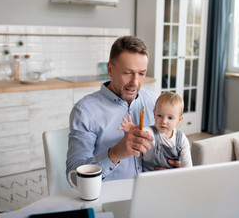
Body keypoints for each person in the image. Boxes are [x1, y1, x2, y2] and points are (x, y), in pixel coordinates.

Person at [67, 36, 158, 182]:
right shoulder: (84, 111)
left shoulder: (153, 102)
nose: (135, 82)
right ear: (110, 69)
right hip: (108, 199)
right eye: (127, 73)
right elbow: (74, 176)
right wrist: (115, 154)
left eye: (141, 73)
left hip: (150, 191)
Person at [119, 92, 193, 171]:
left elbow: (188, 167)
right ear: (154, 114)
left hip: (172, 178)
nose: (164, 121)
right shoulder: (150, 132)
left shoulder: (182, 139)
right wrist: (131, 132)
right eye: (160, 116)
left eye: (170, 118)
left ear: (179, 119)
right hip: (149, 178)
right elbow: (140, 134)